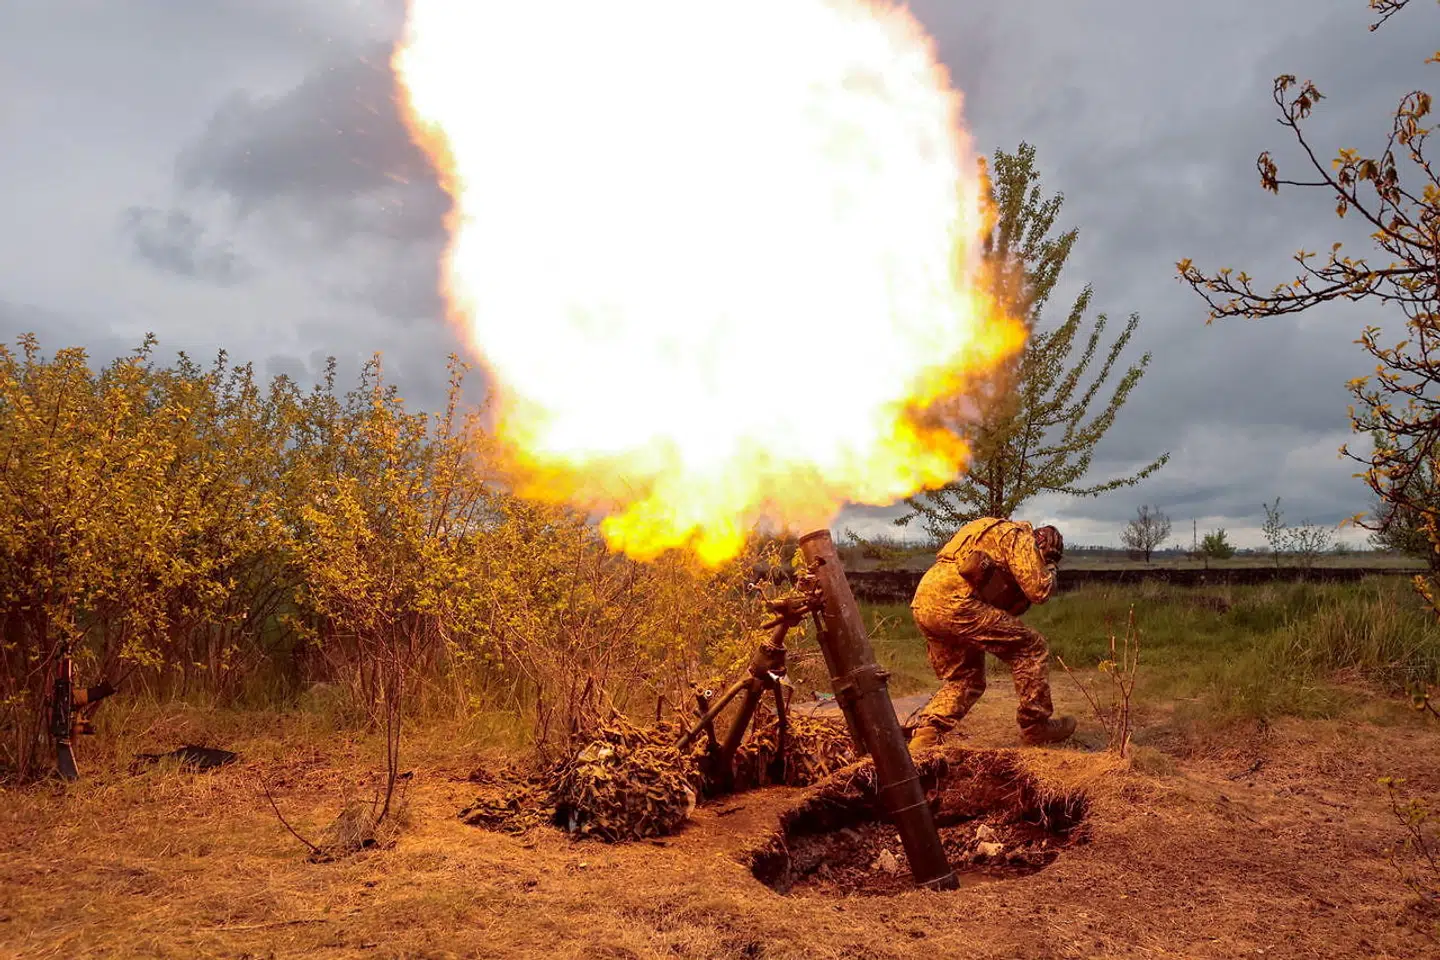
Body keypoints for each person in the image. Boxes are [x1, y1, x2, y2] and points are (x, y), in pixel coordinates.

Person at [906, 517, 1076, 752]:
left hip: (925, 601)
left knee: (966, 678)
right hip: (958, 603)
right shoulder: (1019, 537)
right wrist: (1050, 565)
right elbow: (1039, 590)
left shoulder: (985, 529)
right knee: (1031, 647)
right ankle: (1036, 726)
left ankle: (926, 735)